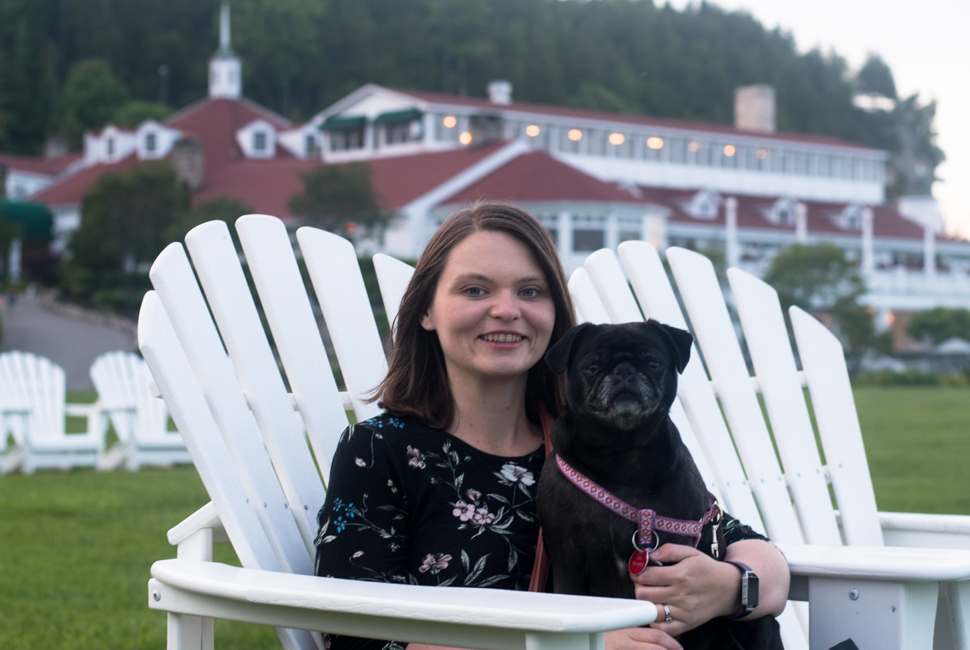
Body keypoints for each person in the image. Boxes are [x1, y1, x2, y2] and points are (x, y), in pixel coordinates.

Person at [314, 202, 790, 650]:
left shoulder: (593, 444)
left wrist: (733, 587)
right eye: (474, 289)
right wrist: (571, 643)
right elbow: (356, 637)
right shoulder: (380, 451)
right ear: (426, 310)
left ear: (555, 316)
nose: (506, 309)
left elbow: (751, 553)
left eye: (530, 291)